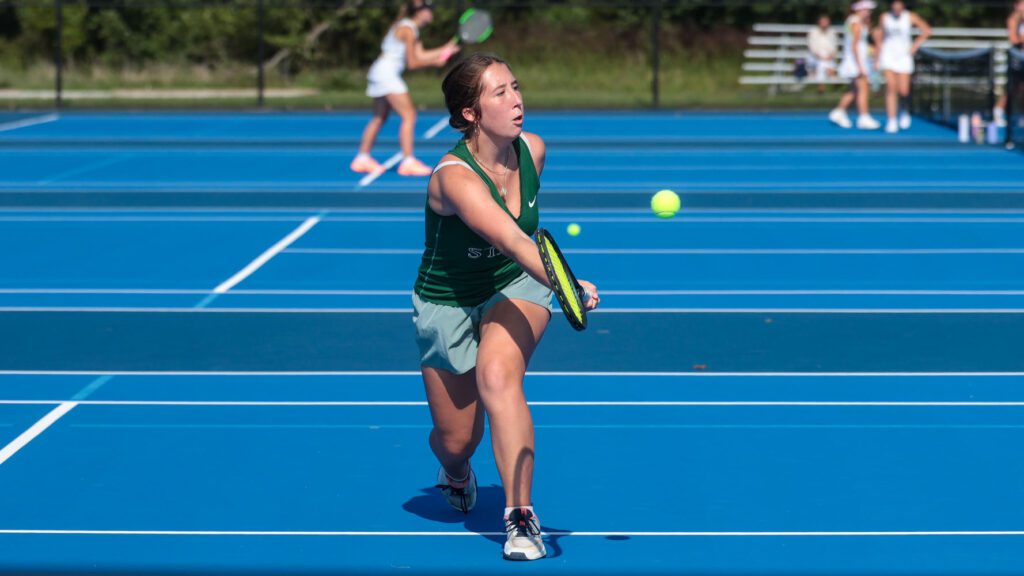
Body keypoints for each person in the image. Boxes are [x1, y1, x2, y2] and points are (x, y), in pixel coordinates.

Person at [412, 52, 599, 561]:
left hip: (515, 283)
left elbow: (524, 246)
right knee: (457, 440)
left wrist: (557, 282)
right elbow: (513, 238)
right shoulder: (455, 178)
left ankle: (520, 516)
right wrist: (566, 282)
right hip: (448, 300)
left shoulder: (533, 151)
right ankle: (454, 472)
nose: (517, 101)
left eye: (515, 87)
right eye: (500, 93)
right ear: (470, 113)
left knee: (499, 377)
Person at [350, 0, 459, 177]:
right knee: (409, 115)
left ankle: (362, 158)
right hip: (387, 74)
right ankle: (408, 161)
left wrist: (445, 49)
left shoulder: (409, 28)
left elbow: (420, 54)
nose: (431, 13)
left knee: (379, 117)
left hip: (380, 71)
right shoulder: (408, 29)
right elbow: (413, 62)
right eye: (429, 9)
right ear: (419, 12)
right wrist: (435, 61)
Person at [876, 1, 931, 133]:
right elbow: (880, 36)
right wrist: (877, 57)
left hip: (904, 57)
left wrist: (914, 47)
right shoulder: (884, 17)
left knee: (904, 90)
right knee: (890, 87)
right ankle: (892, 120)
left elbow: (927, 30)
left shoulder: (910, 16)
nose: (897, 7)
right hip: (888, 55)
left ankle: (904, 110)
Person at [830, 1, 882, 130]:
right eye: (867, 9)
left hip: (857, 60)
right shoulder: (856, 22)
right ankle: (863, 117)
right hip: (856, 61)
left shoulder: (855, 21)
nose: (869, 12)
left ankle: (839, 111)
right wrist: (860, 66)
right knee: (863, 88)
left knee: (854, 89)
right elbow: (854, 45)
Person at [994, 0, 1024, 127]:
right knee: (1012, 88)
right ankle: (997, 113)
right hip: (1017, 59)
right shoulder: (1013, 20)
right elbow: (1014, 40)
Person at [807, 15, 840, 94]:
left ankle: (823, 88)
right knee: (821, 64)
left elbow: (835, 47)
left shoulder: (832, 32)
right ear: (819, 22)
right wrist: (821, 56)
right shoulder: (813, 32)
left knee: (825, 64)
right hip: (816, 57)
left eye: (826, 21)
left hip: (829, 57)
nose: (825, 23)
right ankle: (823, 88)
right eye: (823, 21)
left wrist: (830, 56)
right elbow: (812, 47)